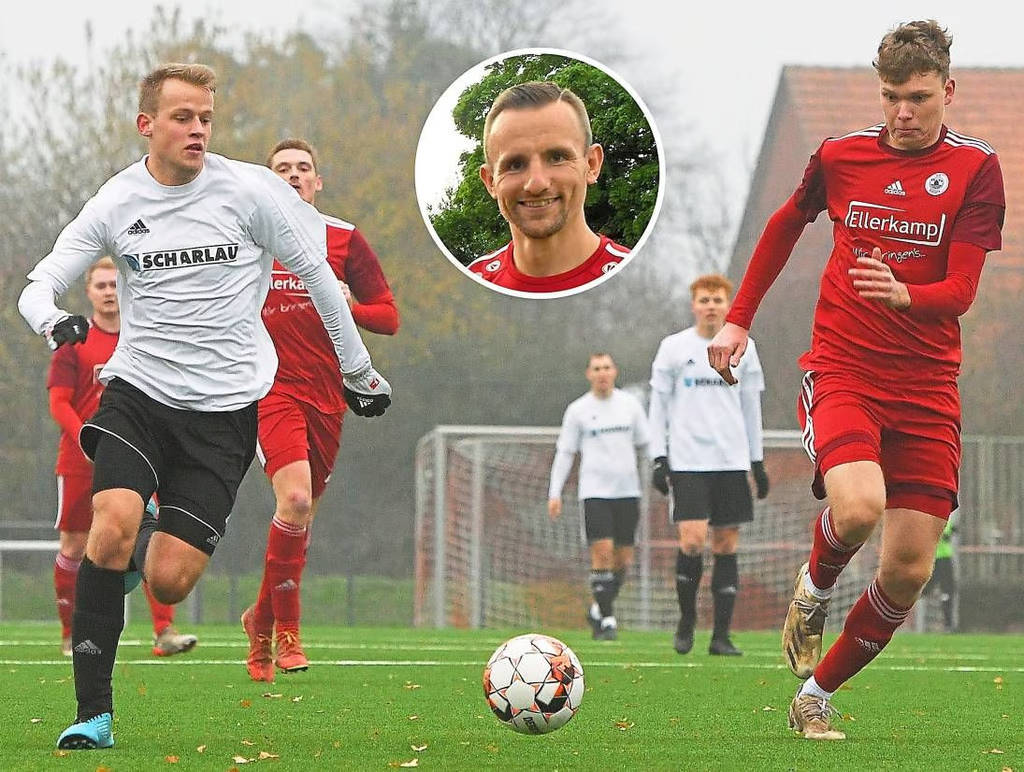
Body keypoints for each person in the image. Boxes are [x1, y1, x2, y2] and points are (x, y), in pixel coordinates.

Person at [18, 62, 391, 751]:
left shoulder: (250, 190)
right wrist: (53, 322)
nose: (197, 130)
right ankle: (93, 713)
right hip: (139, 395)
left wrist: (359, 371)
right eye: (183, 117)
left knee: (168, 577)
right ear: (147, 125)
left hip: (224, 413)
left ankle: (140, 550)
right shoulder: (116, 200)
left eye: (206, 119)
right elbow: (40, 282)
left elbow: (316, 274)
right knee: (109, 524)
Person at [707, 21, 1004, 740]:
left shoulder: (976, 169)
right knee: (861, 506)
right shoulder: (841, 156)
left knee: (907, 571)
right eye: (892, 97)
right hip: (846, 367)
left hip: (929, 387)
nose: (903, 113)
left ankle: (814, 693)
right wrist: (738, 320)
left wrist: (908, 294)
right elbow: (784, 224)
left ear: (948, 92)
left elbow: (962, 289)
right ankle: (814, 586)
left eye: (918, 98)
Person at [241, 138, 400, 682]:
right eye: (281, 169)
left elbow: (388, 317)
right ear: (267, 182)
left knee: (299, 518)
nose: (292, 176)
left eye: (302, 169)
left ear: (318, 181)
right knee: (296, 497)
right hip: (270, 389)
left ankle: (258, 621)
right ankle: (287, 634)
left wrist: (347, 301)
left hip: (329, 396)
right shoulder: (248, 236)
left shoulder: (343, 237)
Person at [48, 257, 197, 659]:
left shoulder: (140, 338)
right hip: (80, 460)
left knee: (148, 532)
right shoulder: (75, 343)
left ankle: (164, 630)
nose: (110, 292)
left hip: (138, 456)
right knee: (76, 546)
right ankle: (70, 632)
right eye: (101, 286)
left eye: (116, 284)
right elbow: (59, 401)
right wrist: (90, 438)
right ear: (89, 293)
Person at [648, 274, 769, 658]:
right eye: (704, 299)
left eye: (718, 299)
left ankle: (721, 635)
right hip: (688, 461)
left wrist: (757, 460)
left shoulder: (745, 349)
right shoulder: (673, 348)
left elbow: (751, 407)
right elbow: (658, 407)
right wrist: (658, 456)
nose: (711, 305)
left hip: (730, 461)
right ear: (694, 304)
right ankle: (687, 622)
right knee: (692, 541)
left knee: (726, 544)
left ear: (728, 304)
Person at [468, 81, 629, 294]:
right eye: (515, 164)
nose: (536, 183)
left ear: (591, 164)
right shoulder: (467, 291)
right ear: (490, 181)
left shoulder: (640, 284)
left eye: (557, 157)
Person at [547, 353, 649, 641]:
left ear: (614, 371)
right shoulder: (578, 410)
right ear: (588, 374)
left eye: (606, 368)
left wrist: (662, 472)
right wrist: (554, 491)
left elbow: (648, 443)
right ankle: (607, 619)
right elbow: (565, 452)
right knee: (601, 553)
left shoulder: (630, 406)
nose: (602, 373)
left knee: (623, 560)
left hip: (628, 492)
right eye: (596, 369)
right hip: (594, 493)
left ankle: (597, 608)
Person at [923, 508, 958, 632]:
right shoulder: (937, 519)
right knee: (941, 591)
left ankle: (948, 624)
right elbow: (946, 534)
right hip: (939, 560)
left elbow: (951, 531)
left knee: (947, 592)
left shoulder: (938, 519)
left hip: (940, 559)